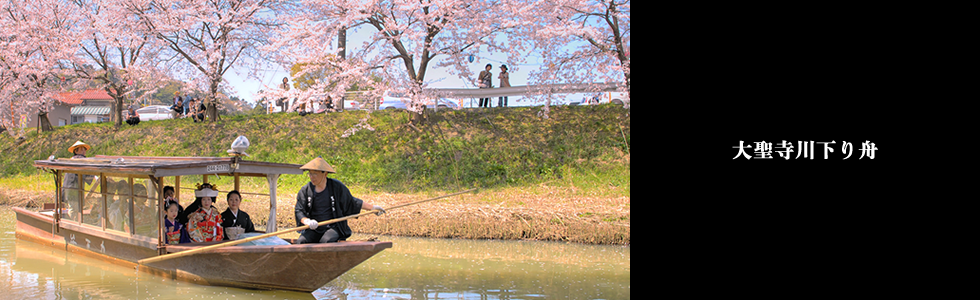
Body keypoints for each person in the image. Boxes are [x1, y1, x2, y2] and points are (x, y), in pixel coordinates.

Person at [294, 157, 385, 244]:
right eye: (310, 173)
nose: (312, 177)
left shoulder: (336, 187)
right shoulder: (306, 190)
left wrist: (372, 208)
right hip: (314, 227)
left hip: (333, 227)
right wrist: (307, 221)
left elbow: (351, 201)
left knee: (326, 241)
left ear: (325, 174)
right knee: (301, 241)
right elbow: (299, 210)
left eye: (315, 174)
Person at [62, 141, 94, 217]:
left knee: (75, 208)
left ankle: (76, 221)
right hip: (72, 188)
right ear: (76, 151)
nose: (84, 152)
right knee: (73, 209)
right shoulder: (78, 159)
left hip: (73, 188)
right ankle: (73, 223)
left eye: (85, 150)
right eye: (82, 150)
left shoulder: (73, 160)